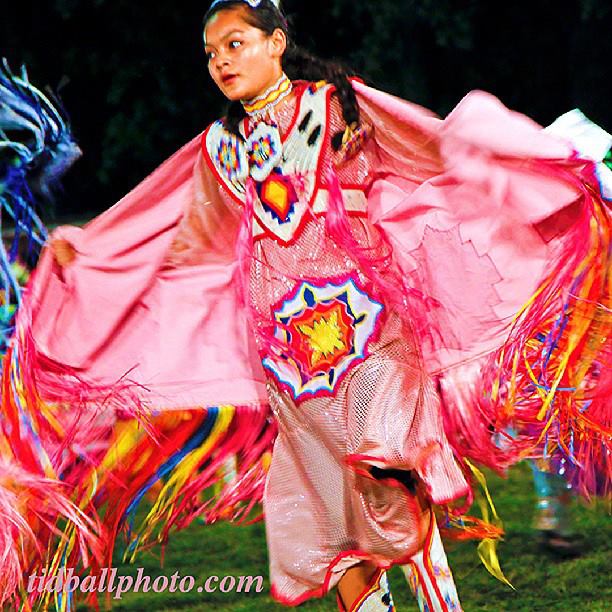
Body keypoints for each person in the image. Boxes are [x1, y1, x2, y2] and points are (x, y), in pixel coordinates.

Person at [2, 1, 609, 611]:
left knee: (387, 470)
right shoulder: (220, 149)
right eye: (212, 54)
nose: (221, 62)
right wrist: (91, 249)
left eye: (235, 44)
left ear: (275, 42)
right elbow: (177, 235)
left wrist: (531, 162)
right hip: (292, 371)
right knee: (330, 515)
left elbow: (429, 148)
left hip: (372, 336)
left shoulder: (335, 105)